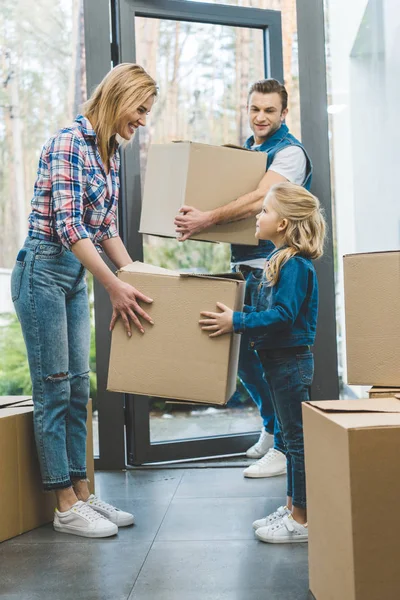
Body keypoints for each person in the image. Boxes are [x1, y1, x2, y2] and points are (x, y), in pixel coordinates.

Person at [11, 63, 157, 538]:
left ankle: (84, 492)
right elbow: (70, 227)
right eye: (139, 109)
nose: (142, 120)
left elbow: (105, 229)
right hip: (44, 272)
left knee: (79, 386)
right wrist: (113, 285)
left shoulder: (108, 150)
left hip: (75, 272)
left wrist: (135, 274)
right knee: (53, 387)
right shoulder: (69, 143)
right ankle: (63, 504)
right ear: (119, 97)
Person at [174, 79, 313, 479]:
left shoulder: (289, 154)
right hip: (247, 267)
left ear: (283, 113)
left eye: (270, 110)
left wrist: (205, 218)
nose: (261, 117)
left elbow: (258, 200)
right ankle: (272, 430)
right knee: (245, 359)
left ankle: (286, 448)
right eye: (255, 109)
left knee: (274, 358)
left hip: (275, 267)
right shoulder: (248, 153)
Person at [199, 182, 326, 543]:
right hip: (280, 364)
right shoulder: (280, 260)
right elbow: (272, 313)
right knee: (286, 440)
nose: (258, 215)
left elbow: (284, 316)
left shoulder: (296, 266)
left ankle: (301, 518)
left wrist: (238, 322)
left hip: (290, 364)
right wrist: (238, 314)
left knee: (295, 443)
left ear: (283, 223)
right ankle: (291, 507)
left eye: (265, 211)